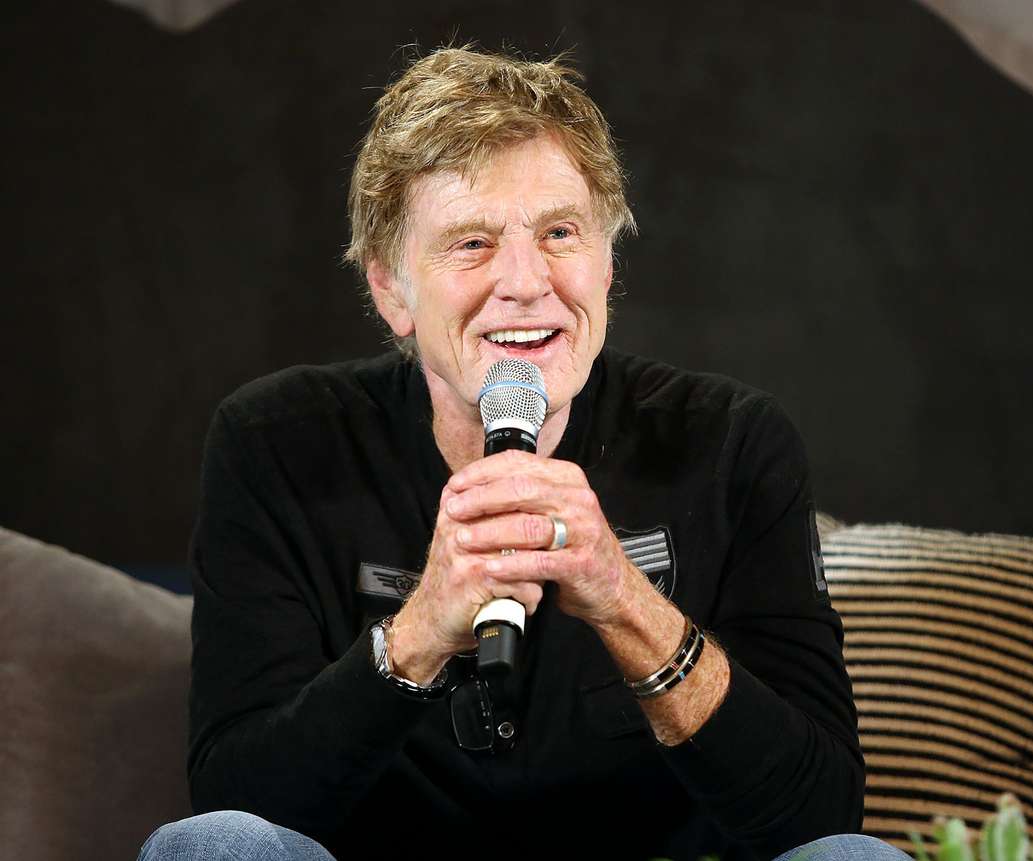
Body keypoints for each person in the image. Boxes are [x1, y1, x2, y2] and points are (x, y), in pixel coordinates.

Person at [139, 47, 910, 861]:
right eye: (471, 243)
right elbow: (237, 798)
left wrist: (623, 598)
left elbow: (820, 810)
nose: (526, 281)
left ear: (608, 263)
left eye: (561, 233)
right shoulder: (276, 442)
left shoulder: (734, 442)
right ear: (391, 289)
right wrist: (422, 630)